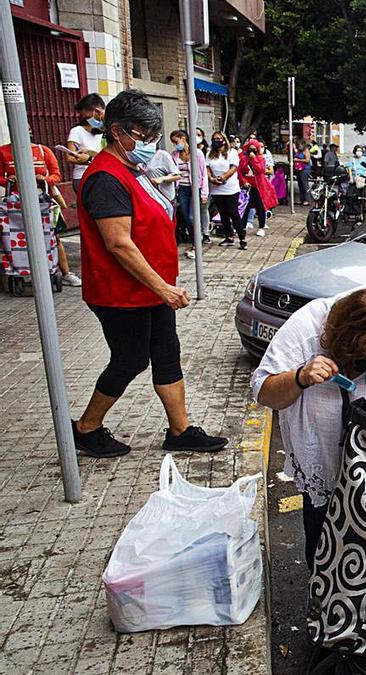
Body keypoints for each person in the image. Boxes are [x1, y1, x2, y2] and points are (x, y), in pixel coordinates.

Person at [72, 88, 227, 458]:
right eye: (141, 136)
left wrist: (162, 287)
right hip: (121, 292)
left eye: (151, 136)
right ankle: (86, 427)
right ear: (116, 131)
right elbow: (119, 244)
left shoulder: (132, 167)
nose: (147, 143)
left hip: (151, 289)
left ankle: (180, 430)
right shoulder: (106, 179)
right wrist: (164, 287)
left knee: (167, 353)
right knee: (131, 359)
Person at [252, 288, 366, 568]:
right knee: (323, 544)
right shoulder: (306, 327)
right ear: (341, 339)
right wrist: (300, 377)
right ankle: (324, 601)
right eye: (359, 357)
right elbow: (264, 392)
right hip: (322, 464)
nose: (363, 366)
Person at [0, 133, 82, 286]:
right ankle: (23, 271)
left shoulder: (43, 151)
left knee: (53, 237)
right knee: (17, 239)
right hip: (15, 205)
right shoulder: (3, 151)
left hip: (43, 202)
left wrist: (44, 179)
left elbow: (56, 175)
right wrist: (7, 181)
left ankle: (65, 273)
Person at [169, 130, 209, 259]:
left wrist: (204, 193)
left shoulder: (197, 154)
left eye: (176, 141)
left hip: (195, 189)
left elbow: (203, 174)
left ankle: (196, 243)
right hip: (182, 189)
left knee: (193, 217)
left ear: (183, 138)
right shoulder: (174, 155)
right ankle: (194, 241)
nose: (175, 145)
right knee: (186, 218)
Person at [207, 131, 246, 249]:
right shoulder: (210, 154)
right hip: (216, 188)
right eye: (214, 139)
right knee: (223, 213)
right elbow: (207, 168)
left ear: (224, 140)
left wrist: (223, 177)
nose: (216, 141)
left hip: (230, 188)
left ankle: (242, 237)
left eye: (219, 138)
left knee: (233, 212)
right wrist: (211, 178)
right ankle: (229, 236)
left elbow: (233, 168)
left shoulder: (232, 152)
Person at [65, 94, 105, 195]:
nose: (87, 119)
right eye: (85, 116)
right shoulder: (77, 131)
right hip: (83, 177)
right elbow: (71, 157)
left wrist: (91, 157)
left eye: (89, 116)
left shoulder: (106, 131)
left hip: (102, 175)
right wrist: (88, 159)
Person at [239, 139, 278, 238]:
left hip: (259, 187)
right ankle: (242, 226)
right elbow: (240, 172)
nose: (252, 151)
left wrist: (254, 159)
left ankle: (261, 226)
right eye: (250, 149)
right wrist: (244, 181)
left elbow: (260, 170)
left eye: (254, 149)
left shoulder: (261, 158)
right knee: (246, 207)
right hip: (247, 187)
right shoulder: (243, 159)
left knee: (260, 207)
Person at [293, 137, 311, 205]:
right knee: (300, 184)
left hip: (305, 169)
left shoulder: (306, 150)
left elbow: (307, 160)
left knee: (304, 184)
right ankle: (302, 199)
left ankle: (307, 199)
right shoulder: (298, 151)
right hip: (298, 169)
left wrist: (298, 160)